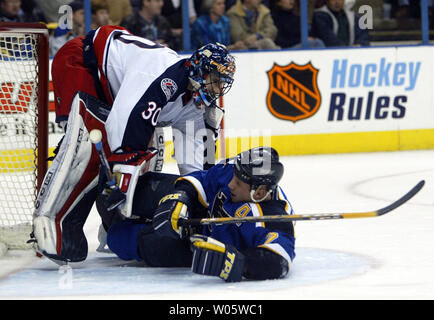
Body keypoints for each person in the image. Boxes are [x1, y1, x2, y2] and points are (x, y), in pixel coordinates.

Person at [31, 24, 236, 265]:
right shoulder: (163, 77)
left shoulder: (193, 104)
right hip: (83, 62)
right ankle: (51, 223)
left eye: (223, 83)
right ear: (200, 71)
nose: (219, 89)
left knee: (143, 153)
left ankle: (113, 229)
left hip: (116, 86)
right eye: (215, 80)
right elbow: (124, 120)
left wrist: (199, 197)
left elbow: (193, 165)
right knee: (91, 143)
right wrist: (119, 171)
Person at [100, 146, 295, 282]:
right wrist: (180, 197)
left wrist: (234, 261)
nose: (230, 184)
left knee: (118, 239)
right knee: (144, 189)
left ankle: (115, 226)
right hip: (198, 208)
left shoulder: (276, 218)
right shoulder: (239, 171)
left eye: (237, 184)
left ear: (259, 193)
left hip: (199, 244)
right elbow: (203, 179)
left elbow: (278, 261)